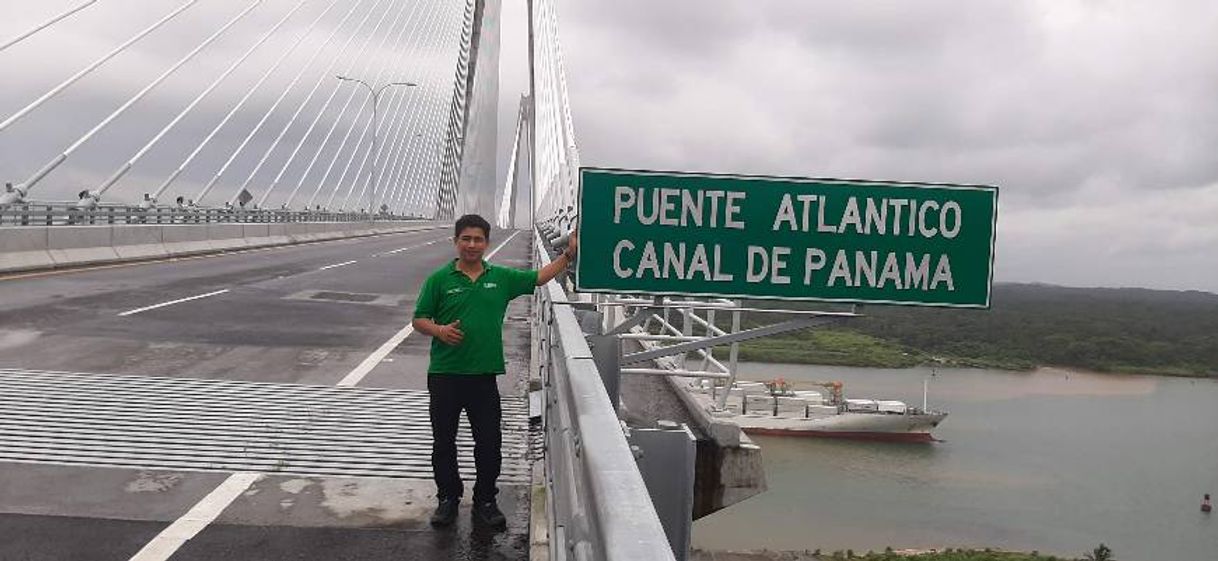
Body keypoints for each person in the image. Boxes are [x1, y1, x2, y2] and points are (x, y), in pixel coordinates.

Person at [412, 214, 578, 529]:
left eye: (478, 239)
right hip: (445, 375)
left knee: (489, 442)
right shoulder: (439, 279)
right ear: (456, 241)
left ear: (486, 243)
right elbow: (419, 319)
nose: (472, 244)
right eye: (466, 239)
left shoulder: (500, 277)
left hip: (483, 377)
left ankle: (486, 500)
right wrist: (439, 330)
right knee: (443, 441)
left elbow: (540, 278)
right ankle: (447, 498)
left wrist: (569, 254)